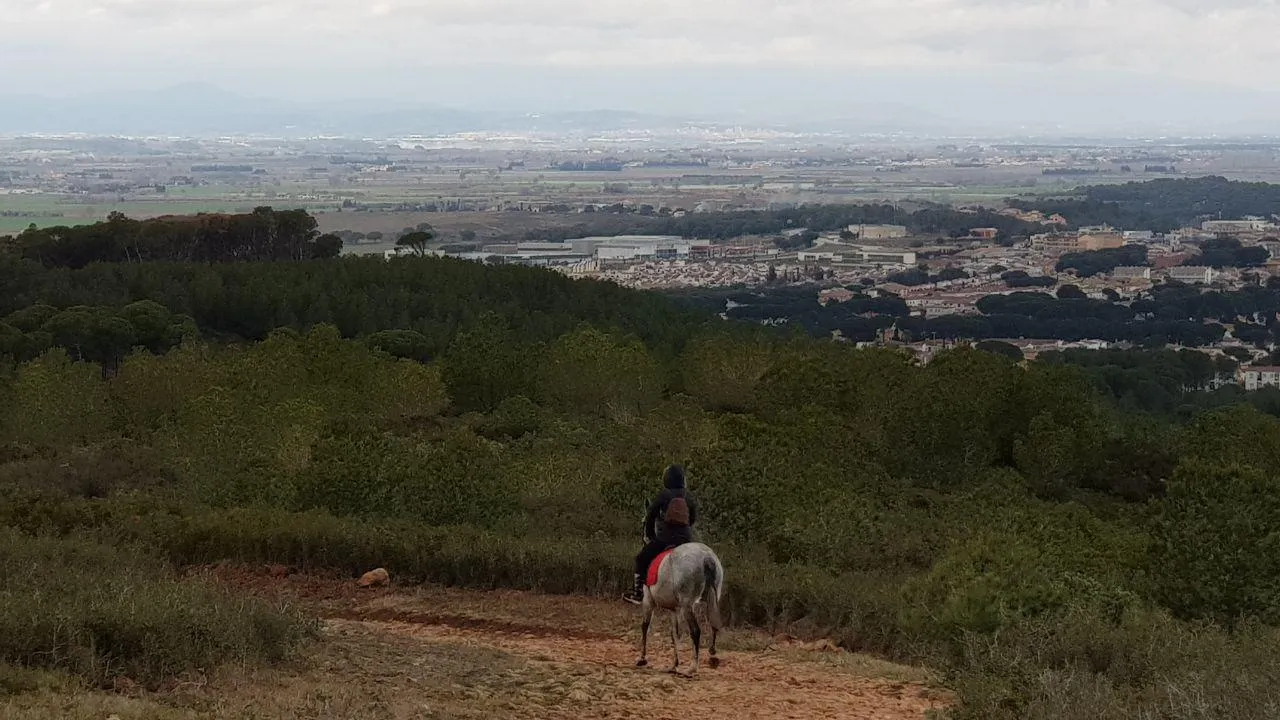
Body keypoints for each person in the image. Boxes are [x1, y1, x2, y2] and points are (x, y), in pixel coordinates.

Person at [623, 463, 698, 605]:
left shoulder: (664, 495)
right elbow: (692, 519)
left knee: (641, 559)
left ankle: (638, 593)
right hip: (686, 540)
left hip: (665, 538)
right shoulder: (689, 497)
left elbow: (650, 516)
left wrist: (651, 536)